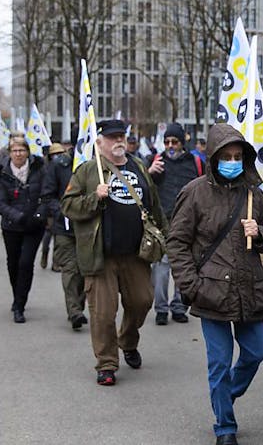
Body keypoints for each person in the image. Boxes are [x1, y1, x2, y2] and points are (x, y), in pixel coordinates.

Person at [168, 123, 263, 445]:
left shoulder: (253, 193)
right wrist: (191, 286)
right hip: (211, 292)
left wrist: (260, 232)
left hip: (249, 288)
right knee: (219, 363)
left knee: (256, 352)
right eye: (226, 156)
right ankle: (225, 426)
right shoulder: (194, 192)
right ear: (214, 158)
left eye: (237, 156)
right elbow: (176, 242)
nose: (232, 162)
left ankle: (224, 397)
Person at [62, 119, 163, 386]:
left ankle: (127, 341)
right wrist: (94, 197)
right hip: (101, 256)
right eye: (112, 137)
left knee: (142, 302)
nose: (118, 141)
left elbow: (154, 205)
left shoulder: (139, 166)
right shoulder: (87, 171)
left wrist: (165, 237)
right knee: (103, 314)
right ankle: (106, 363)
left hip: (136, 254)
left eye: (121, 136)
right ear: (99, 143)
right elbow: (68, 206)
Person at [146, 122, 203, 325]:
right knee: (161, 268)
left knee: (184, 266)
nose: (170, 146)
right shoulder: (156, 161)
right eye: (167, 142)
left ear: (182, 143)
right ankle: (161, 308)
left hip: (188, 223)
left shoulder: (195, 162)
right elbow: (141, 188)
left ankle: (179, 306)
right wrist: (149, 173)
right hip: (162, 222)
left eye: (174, 142)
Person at [0, 136, 46, 323]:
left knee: (26, 263)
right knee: (13, 264)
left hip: (34, 226)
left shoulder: (39, 170)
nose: (18, 154)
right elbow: (0, 202)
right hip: (12, 226)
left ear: (27, 152)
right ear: (9, 153)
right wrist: (18, 217)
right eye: (15, 151)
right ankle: (17, 294)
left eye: (21, 150)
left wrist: (38, 215)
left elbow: (46, 194)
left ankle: (19, 305)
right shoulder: (2, 173)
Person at [41, 142, 87, 329]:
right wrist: (61, 212)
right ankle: (74, 311)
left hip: (88, 229)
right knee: (70, 268)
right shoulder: (59, 165)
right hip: (65, 228)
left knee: (84, 271)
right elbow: (48, 195)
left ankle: (78, 305)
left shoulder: (97, 165)